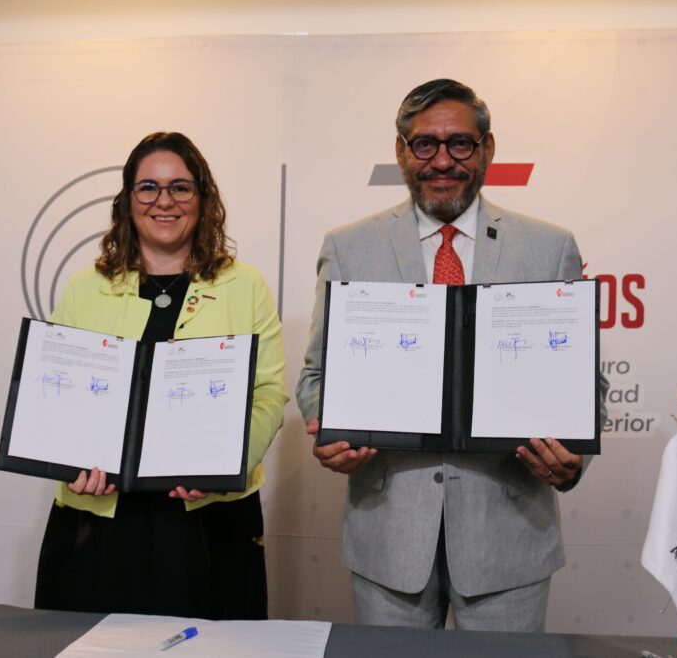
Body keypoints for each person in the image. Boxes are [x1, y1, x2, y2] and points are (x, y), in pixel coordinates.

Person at [296, 79, 608, 631]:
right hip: (388, 538)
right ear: (401, 152)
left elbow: (585, 384)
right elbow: (317, 375)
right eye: (425, 144)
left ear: (487, 149)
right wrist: (331, 430)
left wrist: (572, 459)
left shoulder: (549, 247)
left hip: (508, 539)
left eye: (460, 143)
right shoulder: (349, 247)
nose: (442, 161)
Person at [34, 131, 287, 619]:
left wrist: (223, 467)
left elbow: (269, 395)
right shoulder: (86, 287)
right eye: (148, 187)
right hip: (101, 517)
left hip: (209, 518)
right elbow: (57, 396)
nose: (163, 201)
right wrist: (69, 462)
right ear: (128, 200)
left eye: (180, 187)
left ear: (203, 198)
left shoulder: (245, 285)